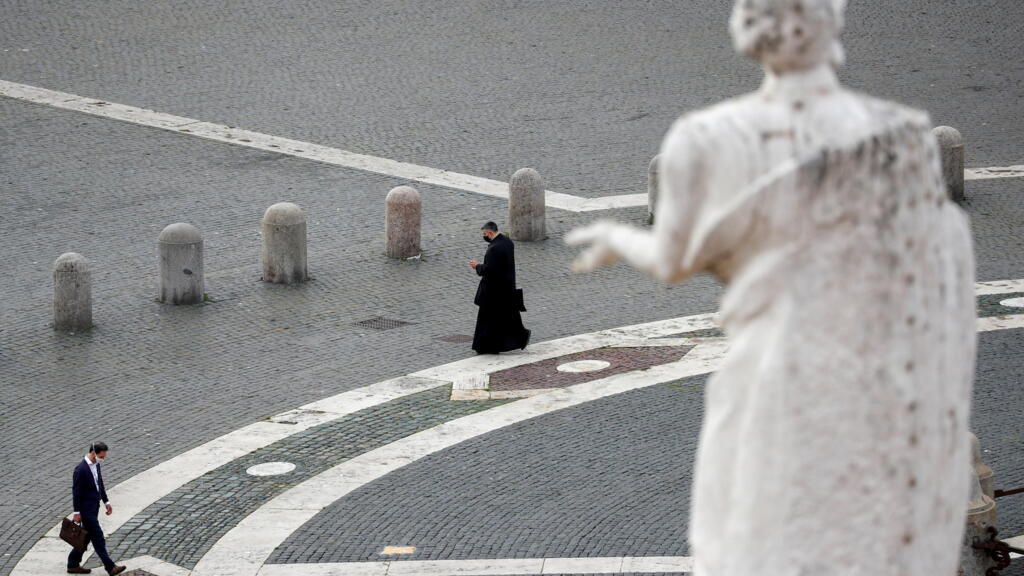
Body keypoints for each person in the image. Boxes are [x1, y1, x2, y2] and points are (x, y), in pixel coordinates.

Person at [566, 1, 975, 575]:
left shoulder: (705, 137)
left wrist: (614, 235)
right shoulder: (899, 132)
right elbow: (934, 269)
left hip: (775, 376)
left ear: (748, 32)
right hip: (874, 379)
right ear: (830, 23)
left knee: (759, 544)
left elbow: (672, 260)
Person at [469, 222, 530, 354]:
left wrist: (477, 266)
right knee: (505, 318)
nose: (485, 237)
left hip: (493, 291)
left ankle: (486, 346)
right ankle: (515, 338)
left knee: (487, 319)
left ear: (490, 233)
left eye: (485, 234)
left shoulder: (494, 249)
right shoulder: (508, 242)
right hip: (506, 287)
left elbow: (489, 270)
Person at [68, 442, 126, 575]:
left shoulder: (96, 464)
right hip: (85, 510)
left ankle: (72, 563)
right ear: (94, 453)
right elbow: (76, 492)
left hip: (94, 507)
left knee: (86, 537)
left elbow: (99, 483)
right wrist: (77, 512)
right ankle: (110, 567)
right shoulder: (81, 470)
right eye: (101, 456)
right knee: (98, 537)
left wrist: (106, 501)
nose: (103, 459)